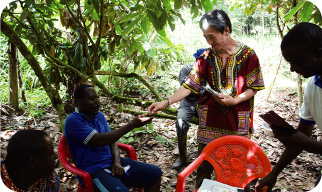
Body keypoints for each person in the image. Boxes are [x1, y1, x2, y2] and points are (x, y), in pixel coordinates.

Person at [148, 9, 265, 189]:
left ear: (226, 30)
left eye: (212, 37)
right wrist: (167, 102)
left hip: (237, 122)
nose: (209, 42)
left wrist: (235, 100)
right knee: (204, 166)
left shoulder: (248, 55)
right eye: (206, 38)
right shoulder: (205, 58)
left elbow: (254, 86)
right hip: (210, 121)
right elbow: (189, 85)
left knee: (238, 168)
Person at [256, 22, 322, 192]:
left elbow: (303, 140)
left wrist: (307, 143)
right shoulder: (312, 86)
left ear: (319, 53)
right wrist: (274, 174)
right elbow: (302, 136)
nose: (292, 69)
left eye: (297, 62)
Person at [64, 84, 163, 192]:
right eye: (92, 98)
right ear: (80, 102)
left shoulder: (98, 116)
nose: (97, 101)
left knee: (155, 174)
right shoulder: (73, 121)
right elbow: (99, 140)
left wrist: (116, 162)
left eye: (97, 97)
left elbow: (111, 140)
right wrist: (132, 125)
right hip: (94, 171)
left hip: (111, 163)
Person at [172, 48, 206, 171]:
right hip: (188, 100)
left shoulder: (211, 71)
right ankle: (182, 156)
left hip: (205, 102)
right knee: (181, 122)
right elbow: (185, 89)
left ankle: (203, 158)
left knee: (208, 125)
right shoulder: (187, 69)